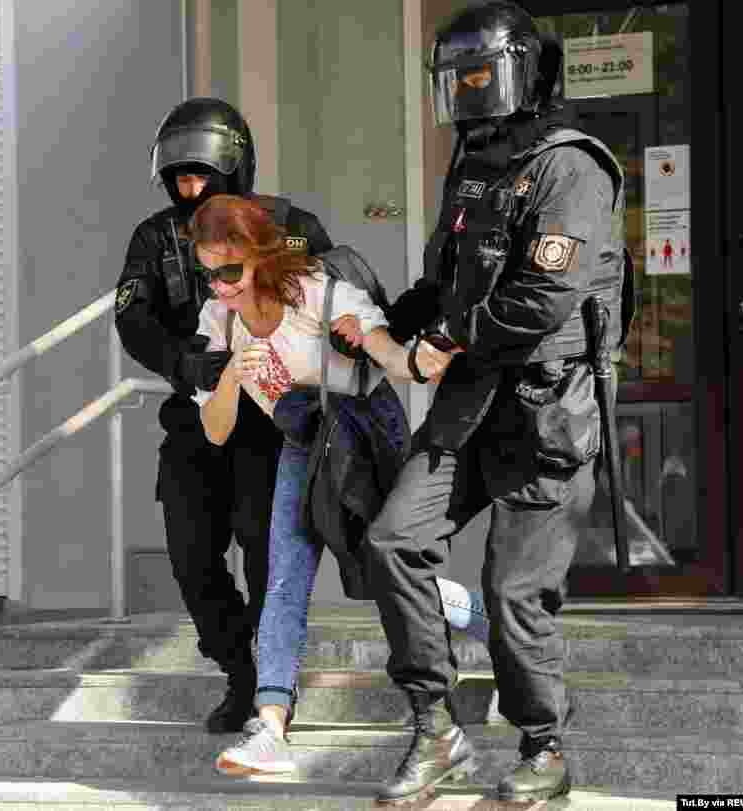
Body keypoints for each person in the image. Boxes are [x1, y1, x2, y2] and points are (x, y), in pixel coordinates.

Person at [366, 1, 628, 804]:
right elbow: (447, 284)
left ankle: (544, 745)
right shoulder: (472, 160)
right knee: (392, 540)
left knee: (515, 590)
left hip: (546, 406)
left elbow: (542, 298)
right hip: (468, 401)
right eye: (459, 79)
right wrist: (380, 318)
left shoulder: (570, 164)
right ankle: (435, 728)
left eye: (482, 75)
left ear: (522, 73)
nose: (470, 92)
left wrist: (446, 340)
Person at [181, 195, 490, 778]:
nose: (220, 287)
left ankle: (483, 633)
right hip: (305, 443)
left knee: (389, 571)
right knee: (284, 574)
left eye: (229, 272)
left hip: (365, 430)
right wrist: (229, 378)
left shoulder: (319, 294)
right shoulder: (218, 321)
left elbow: (401, 366)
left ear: (259, 258)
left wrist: (399, 344)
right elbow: (216, 431)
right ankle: (270, 725)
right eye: (209, 273)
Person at [114, 98, 333, 735]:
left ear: (234, 170)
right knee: (190, 557)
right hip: (195, 421)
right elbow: (133, 319)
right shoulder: (155, 237)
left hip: (270, 426)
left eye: (201, 176)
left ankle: (272, 687)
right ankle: (239, 670)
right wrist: (187, 367)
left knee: (268, 558)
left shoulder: (289, 225)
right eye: (179, 178)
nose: (190, 189)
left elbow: (328, 296)